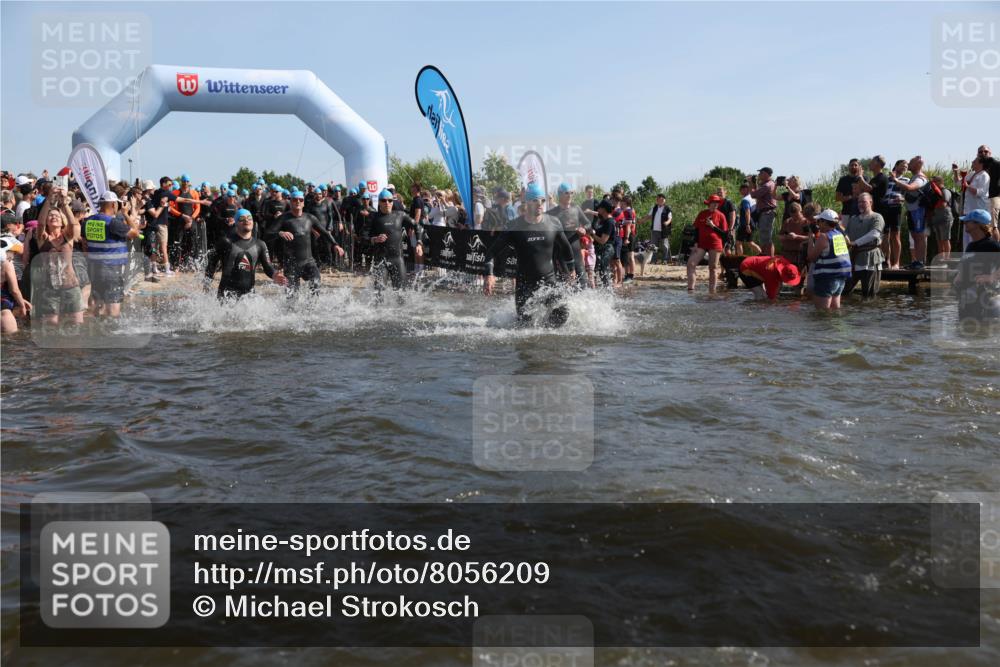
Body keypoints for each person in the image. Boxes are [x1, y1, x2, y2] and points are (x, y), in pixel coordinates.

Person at [484, 182, 575, 327]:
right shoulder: (514, 226)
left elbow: (566, 247)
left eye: (542, 200)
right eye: (535, 200)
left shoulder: (553, 223)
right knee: (524, 327)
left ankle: (546, 339)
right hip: (524, 286)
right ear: (526, 202)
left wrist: (571, 269)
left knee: (562, 313)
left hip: (549, 283)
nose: (540, 204)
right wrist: (489, 275)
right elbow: (491, 252)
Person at [267, 189, 344, 295]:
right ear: (290, 202)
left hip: (308, 262)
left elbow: (325, 233)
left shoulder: (310, 218)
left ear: (303, 203)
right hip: (291, 265)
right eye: (295, 200)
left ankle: (310, 310)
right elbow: (267, 234)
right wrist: (280, 233)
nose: (298, 202)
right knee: (292, 297)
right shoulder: (284, 218)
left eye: (300, 200)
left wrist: (335, 245)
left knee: (316, 285)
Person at [204, 209, 286, 300]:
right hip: (226, 295)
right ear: (236, 223)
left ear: (253, 222)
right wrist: (206, 285)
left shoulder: (260, 244)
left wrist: (275, 274)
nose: (246, 220)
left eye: (249, 218)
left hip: (249, 296)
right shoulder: (225, 242)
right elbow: (211, 265)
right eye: (242, 219)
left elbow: (268, 266)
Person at [84, 191, 140, 317]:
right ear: (113, 204)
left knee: (97, 304)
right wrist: (125, 214)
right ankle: (110, 333)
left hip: (94, 268)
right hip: (111, 269)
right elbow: (135, 233)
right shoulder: (113, 223)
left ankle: (95, 331)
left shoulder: (88, 221)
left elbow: (84, 243)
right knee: (113, 310)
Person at [362, 189, 417, 300]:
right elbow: (363, 237)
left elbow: (418, 226)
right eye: (384, 200)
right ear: (379, 202)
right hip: (381, 261)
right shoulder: (373, 217)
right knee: (379, 296)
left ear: (393, 202)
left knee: (402, 296)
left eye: (390, 200)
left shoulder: (400, 215)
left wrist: (419, 243)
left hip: (398, 260)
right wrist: (375, 239)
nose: (387, 203)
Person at [32, 208, 84, 325]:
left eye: (57, 216)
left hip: (70, 286)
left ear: (62, 221)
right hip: (49, 289)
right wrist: (49, 198)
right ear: (46, 221)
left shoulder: (68, 237)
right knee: (51, 324)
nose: (53, 217)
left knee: (76, 323)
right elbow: (40, 224)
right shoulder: (42, 238)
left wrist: (65, 205)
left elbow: (72, 223)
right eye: (50, 215)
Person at [953, 209, 1000, 322]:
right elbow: (965, 268)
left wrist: (991, 277)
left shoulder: (993, 246)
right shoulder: (970, 246)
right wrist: (958, 279)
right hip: (969, 299)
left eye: (967, 221)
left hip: (988, 300)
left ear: (977, 224)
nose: (964, 223)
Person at [806, 209, 852, 311]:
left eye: (819, 221)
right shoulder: (839, 235)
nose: (817, 224)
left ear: (824, 222)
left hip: (827, 279)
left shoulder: (824, 237)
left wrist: (810, 239)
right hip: (840, 278)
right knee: (835, 311)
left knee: (822, 314)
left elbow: (811, 258)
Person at [843, 193, 885, 299]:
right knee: (844, 292)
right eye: (859, 202)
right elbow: (846, 233)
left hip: (870, 259)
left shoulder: (877, 217)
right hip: (854, 259)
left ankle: (868, 314)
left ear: (870, 202)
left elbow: (874, 234)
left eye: (864, 202)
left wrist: (855, 242)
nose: (861, 204)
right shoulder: (853, 219)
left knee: (869, 295)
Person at [547, 183, 590, 286]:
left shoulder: (576, 208)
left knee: (583, 282)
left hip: (576, 251)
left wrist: (584, 229)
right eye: (567, 193)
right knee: (567, 284)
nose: (570, 195)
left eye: (571, 192)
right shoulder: (552, 213)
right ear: (560, 195)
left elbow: (588, 223)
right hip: (561, 254)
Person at [891, 156, 929, 269]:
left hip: (919, 211)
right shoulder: (914, 177)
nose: (908, 164)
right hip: (912, 211)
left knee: (919, 236)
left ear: (917, 165)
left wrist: (895, 180)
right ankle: (916, 261)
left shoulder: (920, 178)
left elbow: (910, 188)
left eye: (911, 162)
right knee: (915, 236)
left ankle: (920, 262)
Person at [686, 194, 728, 293]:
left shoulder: (721, 216)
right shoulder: (702, 214)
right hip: (702, 244)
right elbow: (696, 229)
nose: (715, 205)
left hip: (715, 244)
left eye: (717, 203)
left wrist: (713, 226)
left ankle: (712, 292)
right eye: (713, 203)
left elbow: (725, 234)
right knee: (690, 264)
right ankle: (690, 290)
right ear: (709, 203)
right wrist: (695, 243)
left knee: (712, 267)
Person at [144, 176, 177, 275]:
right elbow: (156, 214)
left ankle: (154, 267)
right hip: (161, 224)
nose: (171, 186)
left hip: (153, 224)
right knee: (163, 246)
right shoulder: (164, 194)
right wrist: (200, 202)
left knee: (154, 246)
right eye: (169, 184)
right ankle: (167, 268)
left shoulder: (155, 194)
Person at [881, 159, 909, 269]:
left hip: (896, 209)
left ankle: (896, 263)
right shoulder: (886, 179)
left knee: (895, 235)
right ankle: (886, 261)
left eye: (906, 167)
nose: (904, 168)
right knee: (885, 236)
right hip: (884, 208)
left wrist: (895, 179)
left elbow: (906, 189)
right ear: (896, 166)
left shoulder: (906, 179)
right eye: (902, 165)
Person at [737, 255, 801, 301]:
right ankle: (755, 313)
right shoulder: (772, 275)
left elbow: (778, 257)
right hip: (746, 269)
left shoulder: (786, 264)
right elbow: (771, 297)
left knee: (764, 296)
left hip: (756, 266)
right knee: (761, 296)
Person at [1, 246, 30, 333]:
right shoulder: (6, 264)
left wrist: (22, 300)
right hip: (3, 313)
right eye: (13, 252)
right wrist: (22, 306)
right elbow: (14, 290)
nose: (13, 256)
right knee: (11, 341)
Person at [750, 168, 778, 256]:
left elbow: (753, 195)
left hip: (767, 213)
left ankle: (769, 258)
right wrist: (754, 184)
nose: (759, 175)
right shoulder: (766, 184)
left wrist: (751, 183)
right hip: (765, 213)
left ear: (766, 174)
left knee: (766, 238)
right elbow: (757, 193)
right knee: (764, 237)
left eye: (761, 173)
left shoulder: (767, 185)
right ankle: (766, 257)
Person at [927, 176, 954, 260]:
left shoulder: (945, 191)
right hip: (936, 217)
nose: (932, 184)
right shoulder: (934, 192)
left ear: (939, 182)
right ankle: (941, 258)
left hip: (945, 217)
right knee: (939, 240)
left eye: (934, 182)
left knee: (945, 239)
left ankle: (947, 258)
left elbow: (944, 202)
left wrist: (934, 204)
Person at [591, 200, 616, 287]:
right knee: (596, 268)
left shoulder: (609, 222)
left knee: (603, 268)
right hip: (600, 248)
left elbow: (603, 240)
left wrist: (591, 234)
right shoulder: (603, 219)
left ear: (604, 209)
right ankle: (599, 288)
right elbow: (596, 214)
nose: (598, 209)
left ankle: (607, 289)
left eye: (600, 207)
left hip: (607, 248)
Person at [641, 193, 672, 264]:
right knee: (653, 246)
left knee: (665, 246)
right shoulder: (654, 208)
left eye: (659, 199)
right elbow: (649, 216)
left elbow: (670, 218)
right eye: (657, 199)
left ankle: (665, 260)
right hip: (654, 230)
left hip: (663, 230)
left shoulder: (667, 208)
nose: (658, 200)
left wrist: (667, 223)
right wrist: (642, 220)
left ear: (663, 200)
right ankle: (653, 260)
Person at [778, 202, 808, 267]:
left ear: (801, 211)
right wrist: (786, 237)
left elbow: (811, 237)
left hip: (799, 255)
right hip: (786, 254)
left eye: (796, 215)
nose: (794, 218)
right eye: (792, 216)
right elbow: (780, 236)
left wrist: (797, 237)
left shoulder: (805, 223)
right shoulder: (787, 222)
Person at [735, 182, 760, 256]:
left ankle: (740, 260)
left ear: (747, 190)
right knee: (750, 242)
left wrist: (747, 224)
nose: (740, 191)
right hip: (752, 223)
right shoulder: (753, 199)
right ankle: (762, 254)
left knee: (738, 242)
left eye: (742, 189)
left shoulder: (745, 200)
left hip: (745, 224)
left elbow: (747, 212)